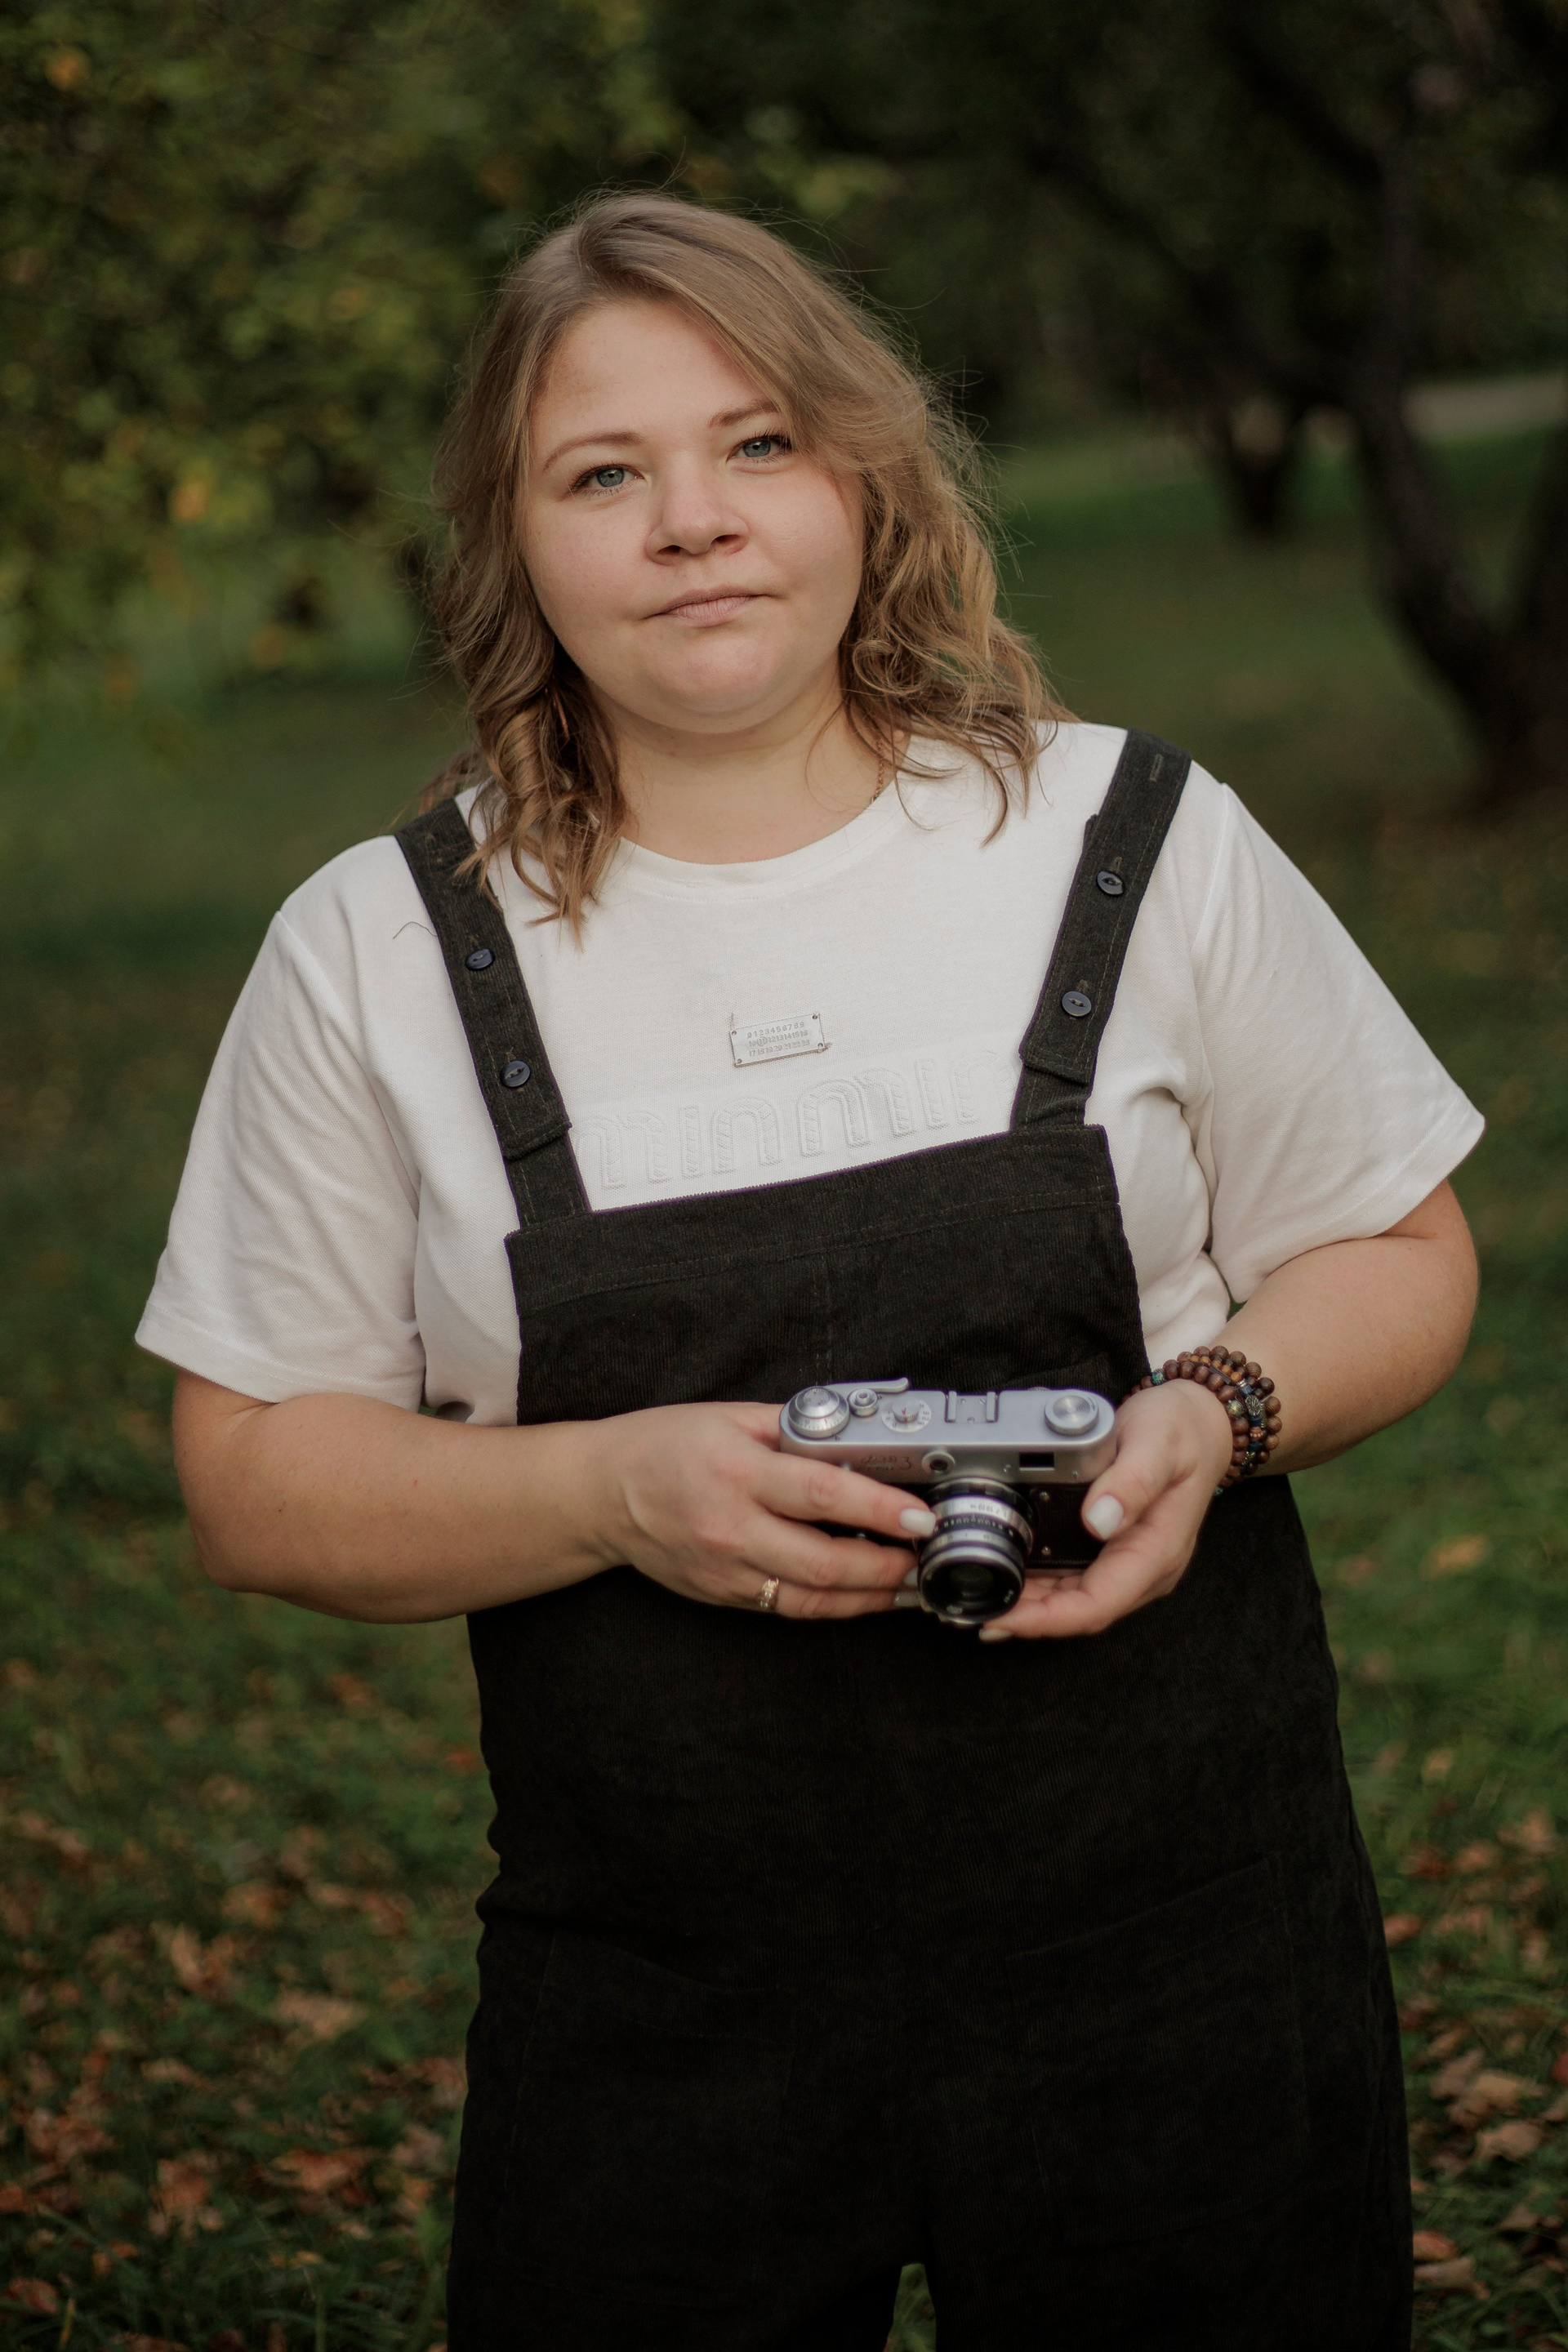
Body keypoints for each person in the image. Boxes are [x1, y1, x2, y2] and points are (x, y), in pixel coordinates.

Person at [140, 194, 1481, 2352]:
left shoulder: (1129, 840)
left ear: (867, 478)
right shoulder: (374, 954)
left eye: (756, 443)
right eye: (603, 472)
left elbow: (1398, 1249)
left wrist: (1220, 1412)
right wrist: (608, 1490)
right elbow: (252, 1474)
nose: (693, 519)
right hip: (660, 2014)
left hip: (1189, 1965)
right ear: (509, 544)